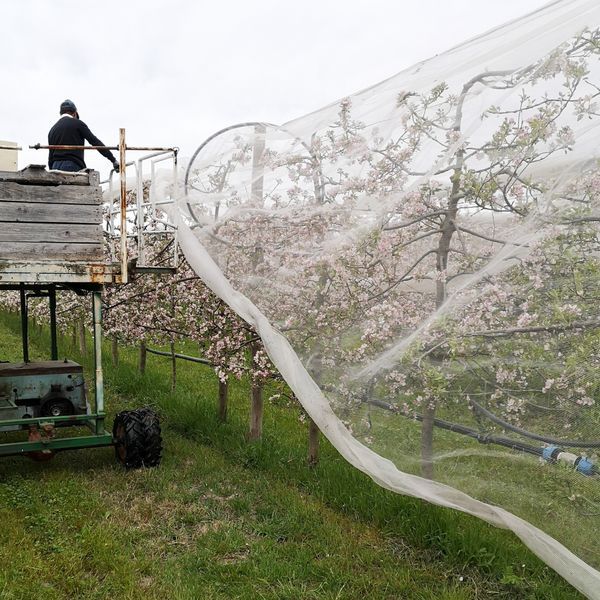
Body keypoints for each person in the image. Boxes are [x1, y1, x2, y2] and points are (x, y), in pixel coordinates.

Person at [48, 99, 120, 173]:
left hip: (55, 166)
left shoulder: (52, 130)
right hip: (72, 164)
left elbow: (50, 156)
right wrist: (113, 160)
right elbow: (95, 142)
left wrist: (51, 172)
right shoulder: (78, 123)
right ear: (74, 113)